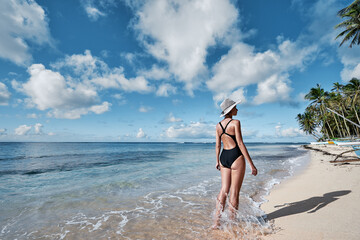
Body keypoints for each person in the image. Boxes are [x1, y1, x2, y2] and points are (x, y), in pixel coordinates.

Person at [213, 98, 258, 229]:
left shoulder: (218, 126)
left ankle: (216, 222)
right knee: (234, 192)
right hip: (235, 156)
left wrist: (217, 161)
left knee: (223, 190)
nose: (237, 109)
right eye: (235, 107)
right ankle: (231, 223)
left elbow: (217, 145)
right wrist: (251, 164)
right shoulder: (236, 123)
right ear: (230, 110)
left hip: (223, 157)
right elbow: (240, 143)